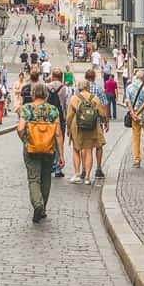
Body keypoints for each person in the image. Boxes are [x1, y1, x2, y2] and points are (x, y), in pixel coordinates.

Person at [17, 82, 64, 223]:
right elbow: (58, 133)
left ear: (32, 94)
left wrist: (25, 140)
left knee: (33, 179)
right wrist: (61, 154)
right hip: (49, 149)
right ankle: (43, 208)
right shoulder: (53, 110)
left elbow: (20, 128)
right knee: (46, 178)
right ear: (46, 94)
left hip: (31, 148)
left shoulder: (26, 109)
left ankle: (37, 204)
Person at [66, 76, 108, 184]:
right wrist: (105, 122)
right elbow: (102, 113)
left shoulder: (74, 98)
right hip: (91, 126)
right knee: (88, 150)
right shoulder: (94, 98)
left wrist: (68, 128)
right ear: (88, 87)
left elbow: (69, 116)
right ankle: (88, 177)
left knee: (76, 149)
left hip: (77, 126)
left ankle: (77, 174)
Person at [125, 71, 144, 167]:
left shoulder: (129, 87)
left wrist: (133, 113)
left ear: (136, 77)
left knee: (136, 138)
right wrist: (138, 112)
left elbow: (128, 101)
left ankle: (137, 160)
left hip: (134, 115)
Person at [83, 68, 109, 178]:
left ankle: (84, 169)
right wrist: (106, 120)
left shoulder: (80, 89)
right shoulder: (98, 88)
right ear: (94, 77)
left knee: (84, 146)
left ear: (85, 77)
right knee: (98, 145)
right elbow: (104, 105)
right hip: (97, 121)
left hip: (83, 121)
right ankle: (98, 168)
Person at [47, 68, 68, 177]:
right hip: (60, 117)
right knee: (59, 142)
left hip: (48, 118)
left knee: (49, 142)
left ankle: (50, 165)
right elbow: (66, 105)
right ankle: (58, 169)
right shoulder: (65, 89)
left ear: (53, 76)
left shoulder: (46, 87)